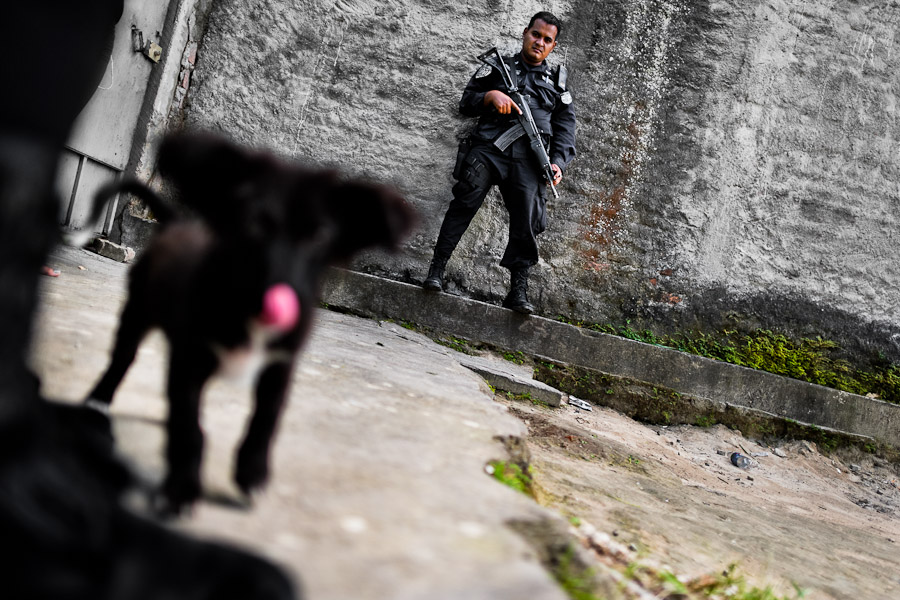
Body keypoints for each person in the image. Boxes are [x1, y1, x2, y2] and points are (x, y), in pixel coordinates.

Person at [422, 11, 576, 314]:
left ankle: (517, 291)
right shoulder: (499, 67)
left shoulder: (558, 84)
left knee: (527, 222)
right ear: (525, 33)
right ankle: (436, 270)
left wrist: (557, 163)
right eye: (536, 35)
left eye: (547, 40)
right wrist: (490, 96)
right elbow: (466, 102)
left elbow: (566, 131)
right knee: (464, 203)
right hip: (490, 149)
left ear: (553, 46)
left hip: (530, 161)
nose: (539, 42)